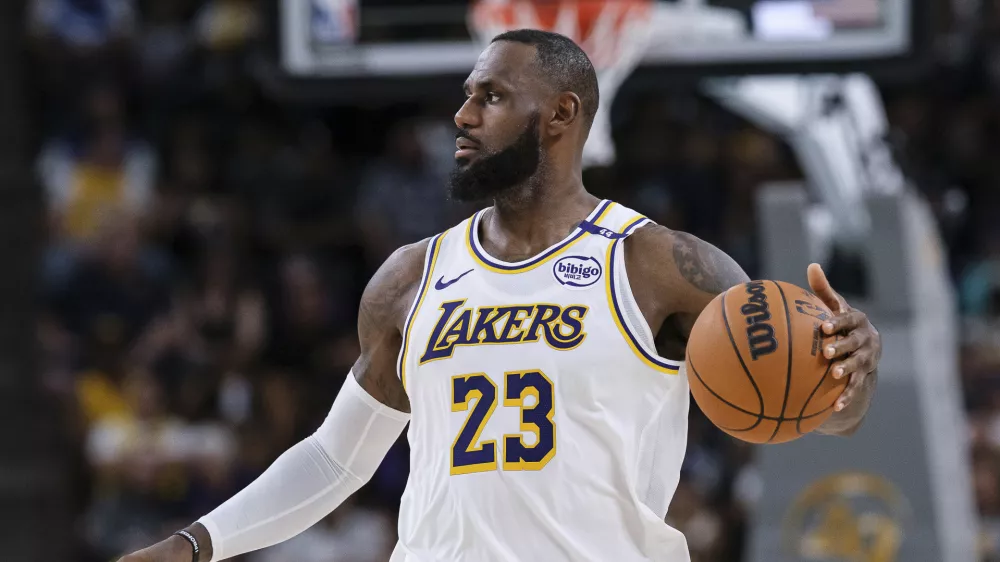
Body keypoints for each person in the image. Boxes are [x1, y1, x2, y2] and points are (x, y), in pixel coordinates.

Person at [119, 30, 881, 562]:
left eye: (490, 95)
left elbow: (814, 402)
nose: (463, 114)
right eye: (466, 94)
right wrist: (197, 544)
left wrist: (850, 371)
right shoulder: (410, 278)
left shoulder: (659, 263)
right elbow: (333, 461)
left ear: (561, 115)